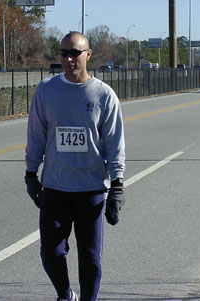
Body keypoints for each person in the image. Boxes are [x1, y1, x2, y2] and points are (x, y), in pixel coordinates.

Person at [25, 31, 125, 301]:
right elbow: (36, 134)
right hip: (55, 187)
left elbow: (114, 143)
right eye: (64, 53)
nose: (69, 59)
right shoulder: (47, 90)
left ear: (88, 55)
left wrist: (117, 185)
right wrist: (31, 174)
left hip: (91, 189)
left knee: (90, 258)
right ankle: (65, 294)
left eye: (75, 53)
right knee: (51, 252)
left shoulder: (104, 95)